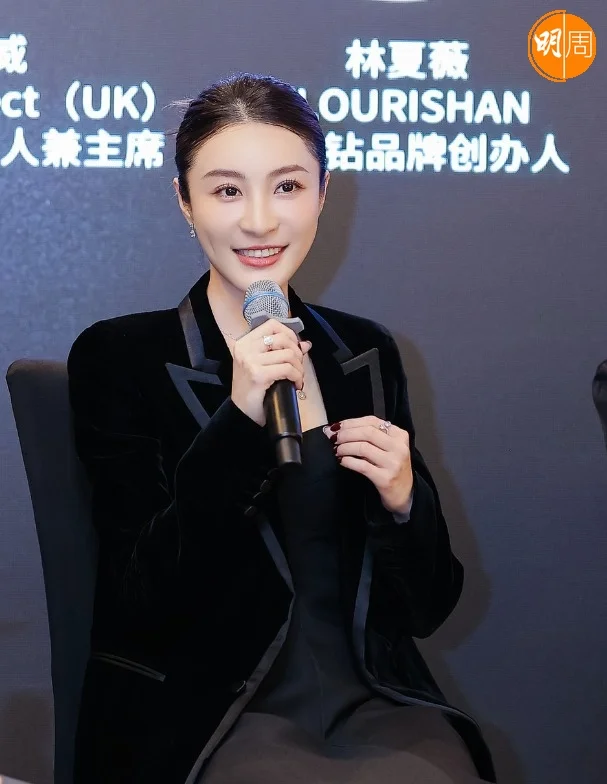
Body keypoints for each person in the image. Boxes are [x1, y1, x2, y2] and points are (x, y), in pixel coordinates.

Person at [67, 72, 496, 784]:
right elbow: (142, 600)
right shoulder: (122, 357)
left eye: (288, 186)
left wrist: (403, 503)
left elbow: (425, 609)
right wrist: (237, 422)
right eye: (227, 191)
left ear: (323, 195)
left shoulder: (363, 353)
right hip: (210, 706)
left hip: (371, 695)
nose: (260, 222)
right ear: (184, 201)